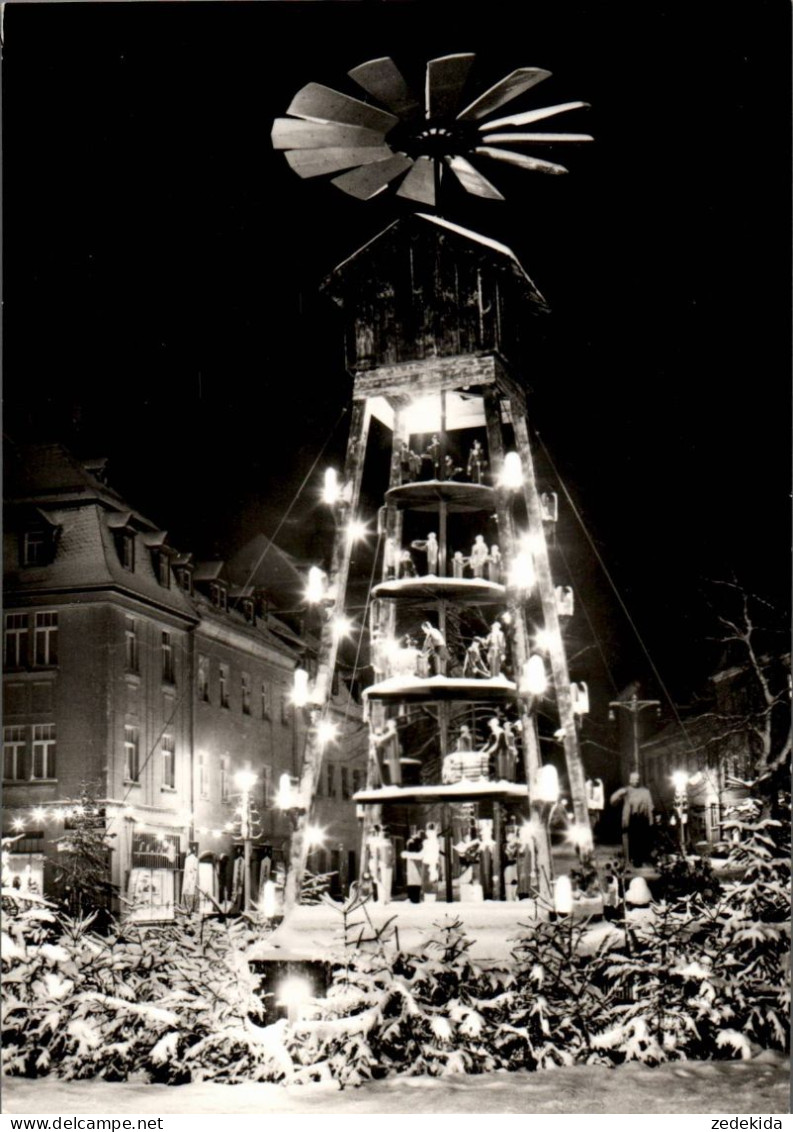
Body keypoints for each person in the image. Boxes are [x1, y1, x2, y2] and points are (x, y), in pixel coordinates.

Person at [610, 771, 655, 866]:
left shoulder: (645, 791)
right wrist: (619, 794)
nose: (636, 781)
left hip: (642, 819)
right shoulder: (626, 791)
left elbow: (650, 807)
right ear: (630, 780)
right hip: (629, 819)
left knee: (641, 840)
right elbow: (612, 801)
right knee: (629, 840)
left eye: (637, 779)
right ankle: (629, 860)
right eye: (634, 779)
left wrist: (651, 821)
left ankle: (639, 860)